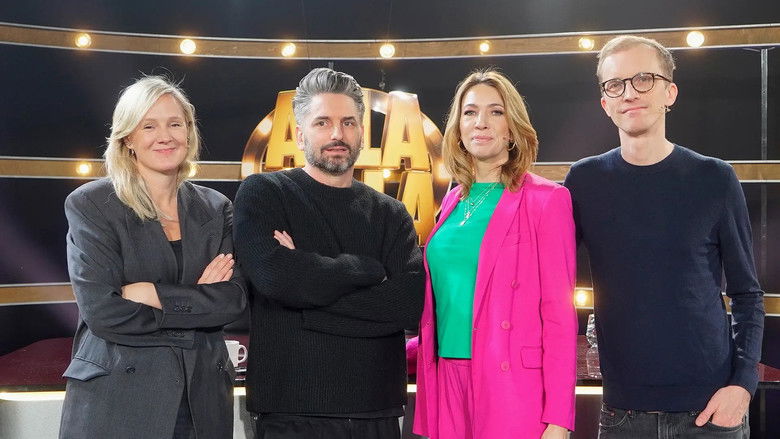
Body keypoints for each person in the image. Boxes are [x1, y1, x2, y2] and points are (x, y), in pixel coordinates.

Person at [564, 35, 765, 438]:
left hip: (710, 412)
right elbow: (548, 278)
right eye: (615, 84)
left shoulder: (714, 178)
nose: (629, 93)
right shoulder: (584, 181)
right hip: (623, 413)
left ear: (669, 92)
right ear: (605, 103)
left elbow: (747, 294)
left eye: (643, 79)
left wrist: (742, 386)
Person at [233, 67, 424, 439]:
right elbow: (275, 277)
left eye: (348, 123)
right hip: (290, 408)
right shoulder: (264, 193)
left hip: (376, 408)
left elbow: (408, 303)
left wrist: (305, 296)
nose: (337, 134)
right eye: (322, 122)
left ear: (362, 132)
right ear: (300, 134)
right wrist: (366, 269)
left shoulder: (390, 213)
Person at [59, 76, 247, 439]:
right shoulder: (92, 204)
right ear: (128, 138)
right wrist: (197, 303)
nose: (165, 136)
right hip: (120, 397)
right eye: (149, 126)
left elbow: (232, 300)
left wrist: (152, 294)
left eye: (175, 124)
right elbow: (104, 312)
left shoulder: (216, 207)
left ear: (189, 132)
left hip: (201, 398)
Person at [413, 68, 577, 439]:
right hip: (446, 377)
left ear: (512, 129)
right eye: (470, 112)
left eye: (495, 112)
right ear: (458, 127)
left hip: (511, 384)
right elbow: (448, 302)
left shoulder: (546, 200)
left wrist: (558, 419)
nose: (481, 122)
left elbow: (559, 315)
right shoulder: (454, 201)